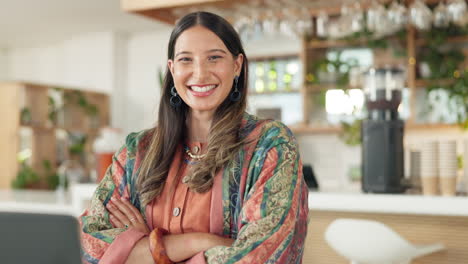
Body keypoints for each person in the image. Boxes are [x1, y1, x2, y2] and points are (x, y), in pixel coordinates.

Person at [79, 11, 309, 264]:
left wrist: (148, 248)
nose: (200, 74)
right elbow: (88, 246)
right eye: (186, 60)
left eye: (214, 58)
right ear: (172, 69)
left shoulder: (270, 145)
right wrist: (200, 242)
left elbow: (261, 257)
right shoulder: (137, 151)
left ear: (237, 65)